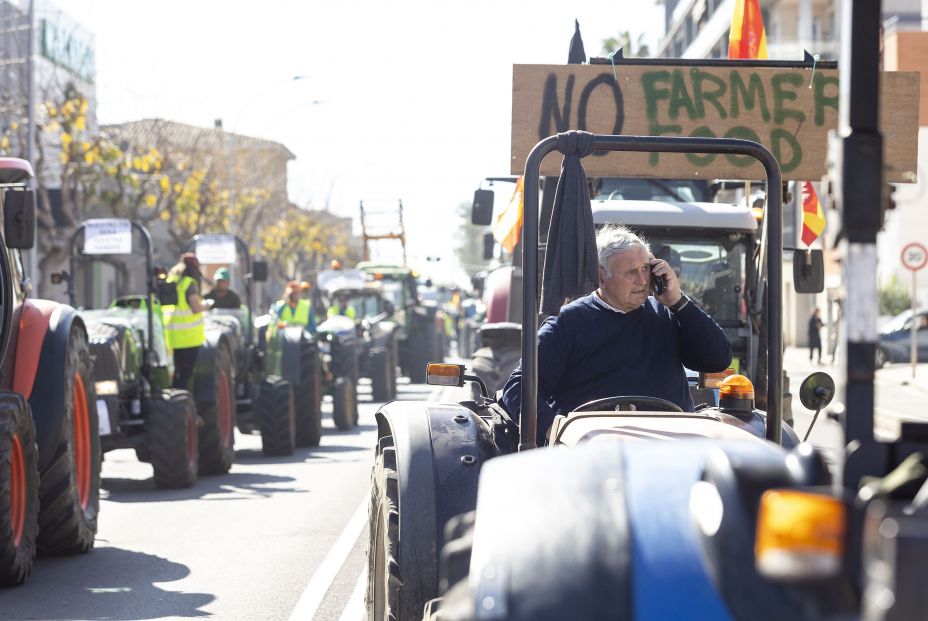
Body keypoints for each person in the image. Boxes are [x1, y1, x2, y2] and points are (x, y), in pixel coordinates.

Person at [501, 224, 732, 445]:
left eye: (645, 269)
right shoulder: (567, 323)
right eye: (631, 272)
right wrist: (555, 429)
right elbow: (519, 388)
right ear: (601, 275)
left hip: (671, 445)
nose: (642, 281)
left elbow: (717, 359)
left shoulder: (669, 314)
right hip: (596, 453)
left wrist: (678, 301)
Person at [162, 252, 207, 390]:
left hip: (172, 337)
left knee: (177, 373)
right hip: (189, 338)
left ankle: (176, 399)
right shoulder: (189, 284)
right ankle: (182, 403)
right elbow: (195, 307)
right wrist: (208, 305)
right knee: (186, 374)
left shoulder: (171, 281)